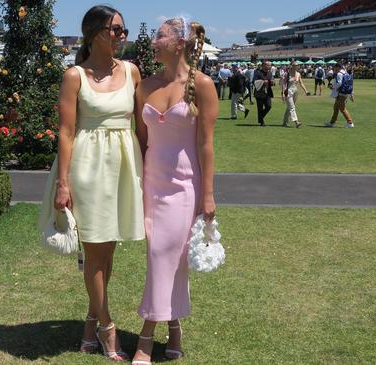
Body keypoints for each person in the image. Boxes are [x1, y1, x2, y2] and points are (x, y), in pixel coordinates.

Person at [37, 5, 142, 362]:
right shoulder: (74, 76)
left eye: (123, 30)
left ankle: (90, 319)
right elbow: (66, 131)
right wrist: (62, 183)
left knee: (107, 250)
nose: (122, 36)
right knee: (95, 250)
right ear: (97, 33)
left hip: (123, 168)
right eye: (117, 30)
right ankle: (106, 327)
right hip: (86, 167)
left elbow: (142, 126)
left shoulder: (132, 72)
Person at [132, 17, 216, 365]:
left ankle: (146, 338)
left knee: (165, 255)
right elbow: (140, 138)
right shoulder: (145, 86)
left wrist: (208, 194)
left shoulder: (203, 84)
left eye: (160, 35)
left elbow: (207, 143)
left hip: (185, 187)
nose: (154, 40)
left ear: (179, 42)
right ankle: (176, 326)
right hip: (152, 183)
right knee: (165, 258)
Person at [325, 63, 354, 128]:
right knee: (336, 108)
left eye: (334, 68)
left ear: (338, 67)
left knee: (342, 108)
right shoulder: (345, 73)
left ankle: (350, 123)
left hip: (341, 93)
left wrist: (332, 87)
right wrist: (351, 93)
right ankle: (332, 122)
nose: (334, 69)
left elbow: (339, 83)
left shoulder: (339, 74)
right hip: (344, 92)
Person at [281, 61, 310, 128]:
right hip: (288, 91)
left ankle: (285, 122)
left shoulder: (298, 74)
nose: (296, 66)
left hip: (295, 92)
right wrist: (282, 93)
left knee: (289, 107)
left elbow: (301, 83)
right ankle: (296, 122)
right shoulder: (286, 74)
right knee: (292, 107)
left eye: (297, 65)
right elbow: (284, 84)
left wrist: (306, 91)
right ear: (291, 66)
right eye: (295, 65)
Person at [253, 60, 274, 126]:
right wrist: (262, 81)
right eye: (268, 65)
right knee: (260, 108)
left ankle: (260, 118)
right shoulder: (257, 72)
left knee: (269, 106)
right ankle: (262, 122)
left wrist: (272, 82)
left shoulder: (270, 73)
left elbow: (270, 81)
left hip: (267, 93)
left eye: (270, 65)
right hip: (259, 93)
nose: (269, 66)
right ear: (263, 65)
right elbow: (254, 81)